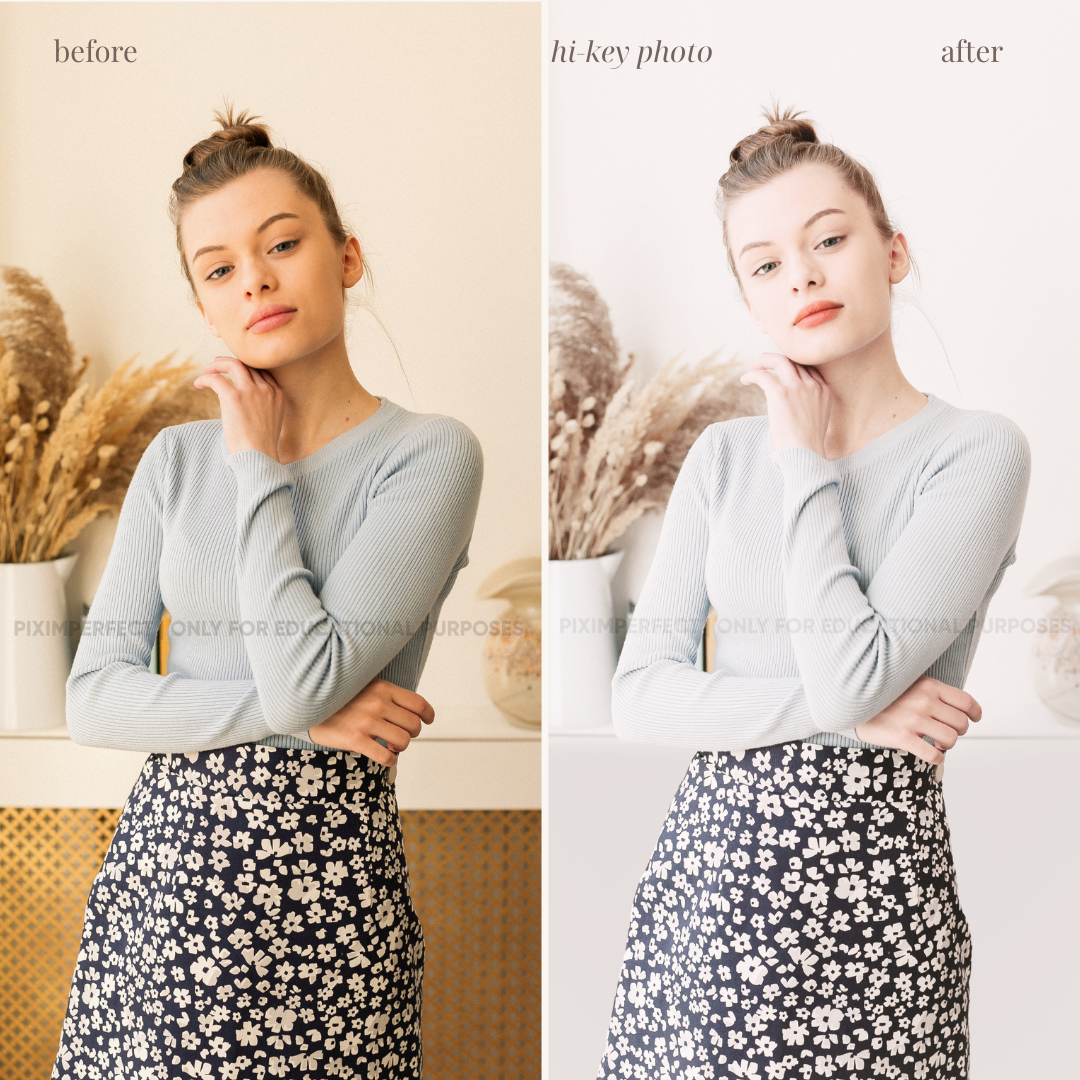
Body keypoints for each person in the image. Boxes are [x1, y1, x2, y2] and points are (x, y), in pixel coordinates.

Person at [597, 107, 1030, 1080]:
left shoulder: (974, 453)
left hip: (872, 899)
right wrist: (853, 717)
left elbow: (850, 678)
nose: (801, 273)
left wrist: (804, 463)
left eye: (829, 239)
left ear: (894, 251)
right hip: (710, 890)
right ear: (750, 298)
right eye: (764, 263)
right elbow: (640, 695)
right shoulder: (721, 454)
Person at [52, 108, 483, 1080]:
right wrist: (298, 720)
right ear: (205, 305)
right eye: (218, 267)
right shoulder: (174, 459)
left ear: (347, 256)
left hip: (324, 900)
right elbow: (95, 697)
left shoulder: (428, 456)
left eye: (282, 243)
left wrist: (257, 466)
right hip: (163, 896)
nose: (254, 278)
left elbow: (304, 680)